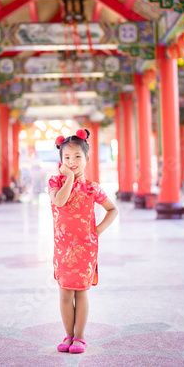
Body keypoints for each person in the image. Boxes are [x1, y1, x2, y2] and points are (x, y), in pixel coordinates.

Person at [48, 128, 118, 354]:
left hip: (85, 247)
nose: (72, 161)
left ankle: (80, 337)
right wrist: (68, 177)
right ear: (60, 161)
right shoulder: (55, 182)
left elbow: (112, 210)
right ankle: (68, 335)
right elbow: (59, 202)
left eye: (77, 156)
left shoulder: (92, 188)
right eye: (66, 157)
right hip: (62, 247)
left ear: (87, 158)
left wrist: (96, 231)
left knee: (80, 291)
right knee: (65, 292)